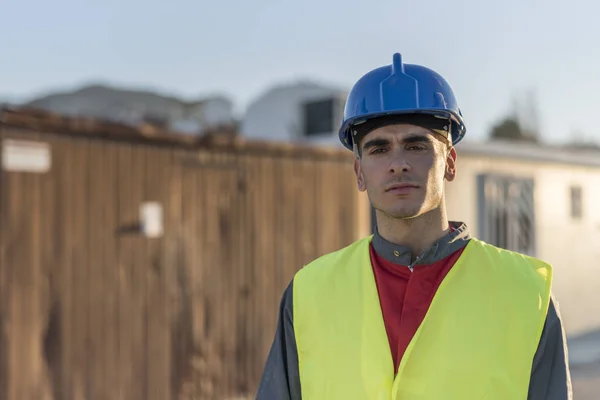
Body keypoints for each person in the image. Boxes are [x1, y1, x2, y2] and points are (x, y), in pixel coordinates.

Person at [256, 53, 572, 399]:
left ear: (449, 163)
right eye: (379, 149)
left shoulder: (526, 293)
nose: (398, 164)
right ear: (359, 173)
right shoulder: (307, 294)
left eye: (416, 145)